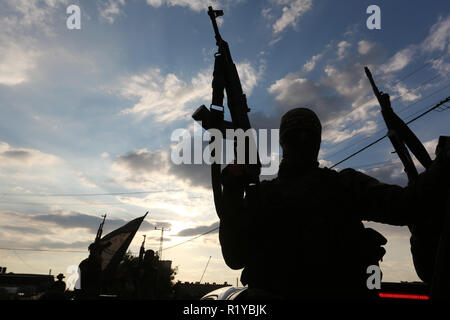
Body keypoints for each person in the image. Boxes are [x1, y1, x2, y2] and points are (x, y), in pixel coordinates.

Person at [219, 107, 450, 299]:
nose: (301, 142)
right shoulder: (344, 185)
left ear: (282, 143)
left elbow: (234, 257)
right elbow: (407, 206)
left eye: (304, 136)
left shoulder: (263, 196)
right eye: (298, 136)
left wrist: (231, 192)